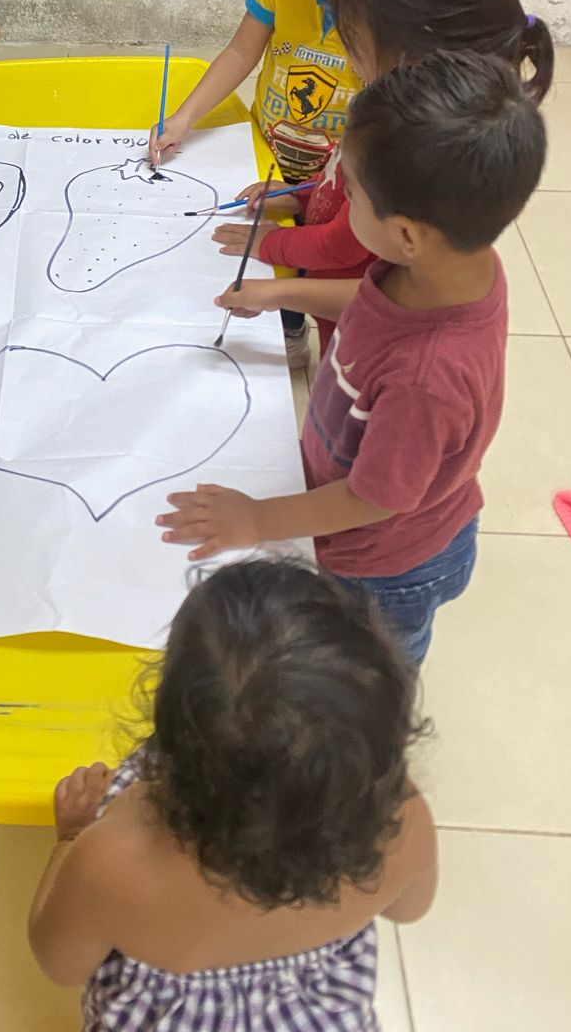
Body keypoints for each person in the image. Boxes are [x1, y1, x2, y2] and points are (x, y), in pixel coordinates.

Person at [159, 51, 547, 664]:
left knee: (374, 664)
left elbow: (372, 499)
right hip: (373, 496)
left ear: (406, 234)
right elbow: (367, 301)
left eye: (351, 196)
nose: (337, 200)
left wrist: (256, 521)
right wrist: (278, 293)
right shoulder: (447, 264)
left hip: (386, 567)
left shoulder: (426, 380)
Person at [29, 561, 437, 1032]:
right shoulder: (400, 819)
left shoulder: (115, 853)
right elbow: (409, 908)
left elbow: (59, 963)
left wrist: (71, 837)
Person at [149, 0, 436, 365]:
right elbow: (241, 50)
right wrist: (183, 117)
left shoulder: (401, 11)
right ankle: (288, 329)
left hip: (348, 191)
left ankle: (301, 335)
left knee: (320, 273)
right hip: (272, 164)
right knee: (268, 267)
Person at [210, 0, 555, 362]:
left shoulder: (416, 156)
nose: (346, 53)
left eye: (352, 37)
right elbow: (342, 184)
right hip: (343, 336)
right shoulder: (392, 112)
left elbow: (362, 270)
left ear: (409, 53)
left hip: (363, 352)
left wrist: (274, 267)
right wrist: (299, 197)